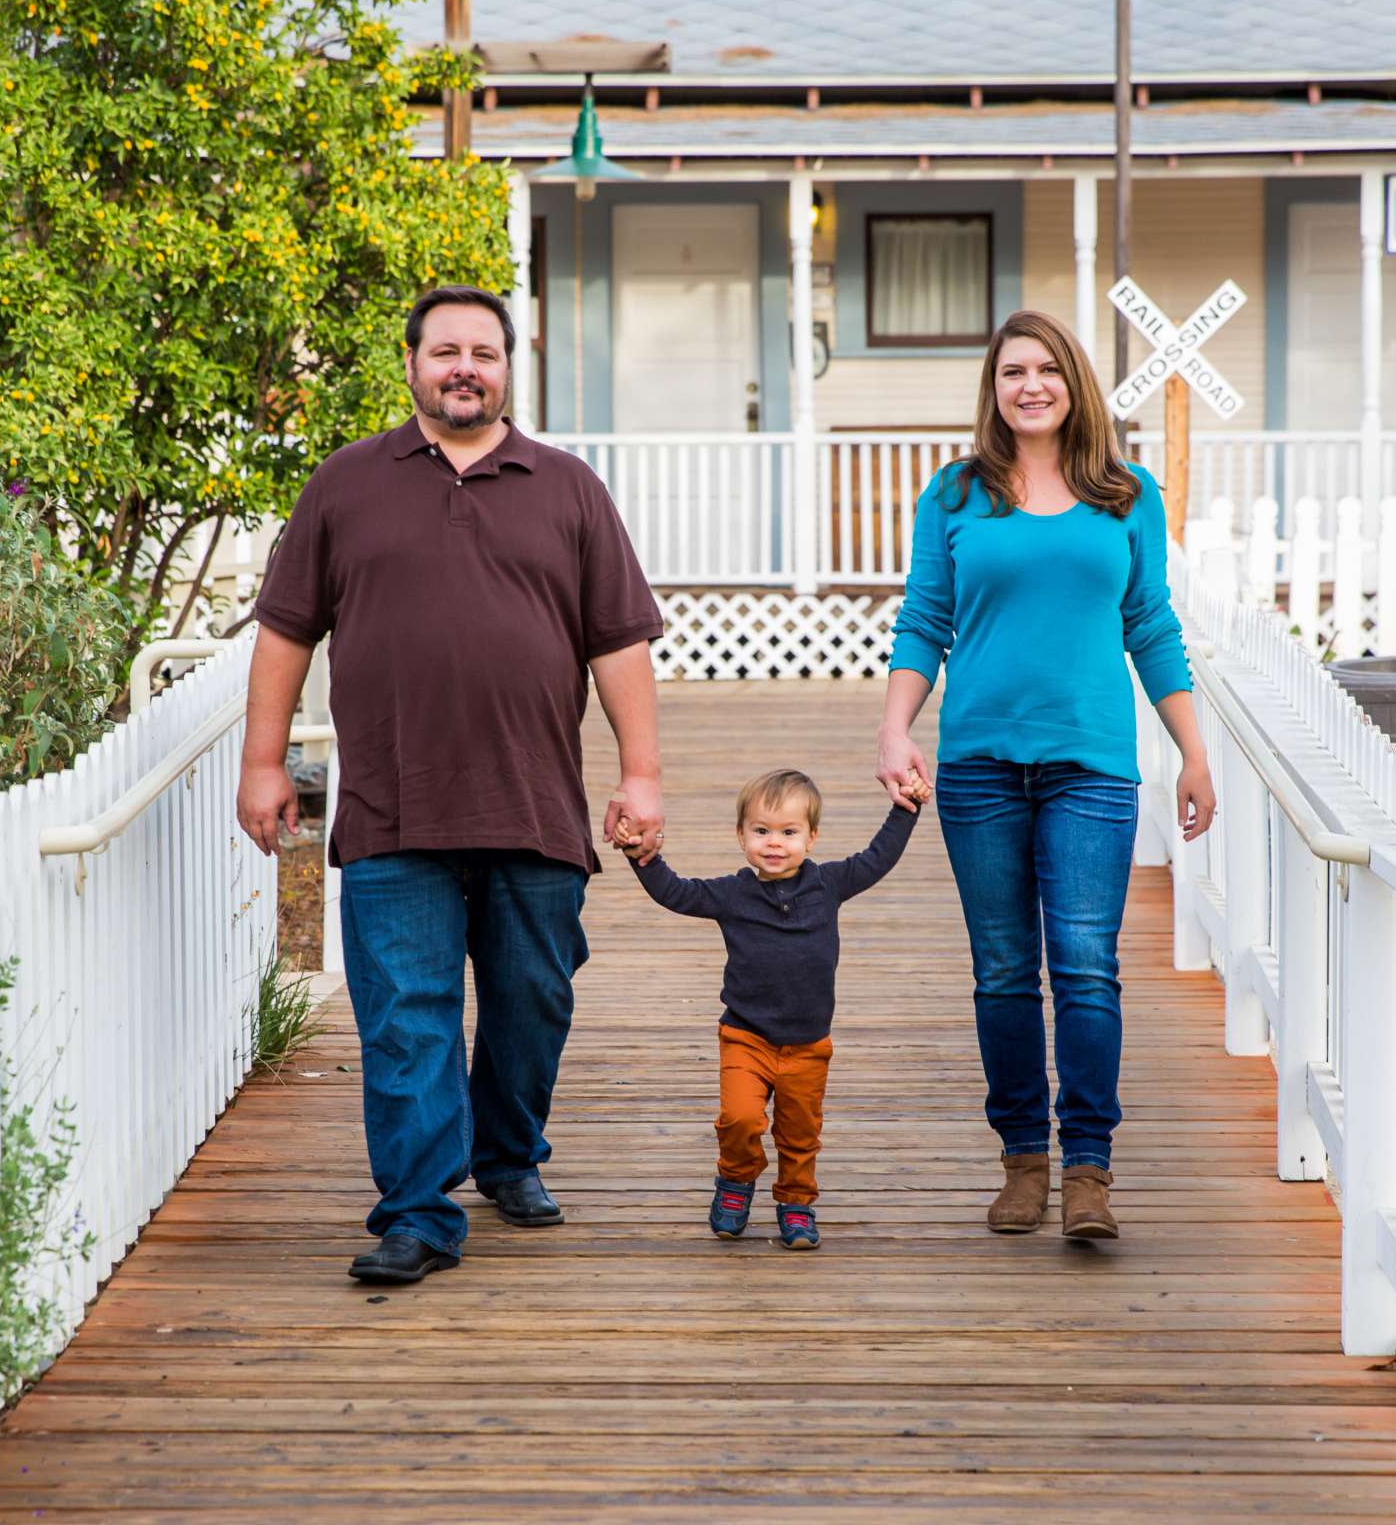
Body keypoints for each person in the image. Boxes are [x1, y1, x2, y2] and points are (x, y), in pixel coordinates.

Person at [236, 285, 667, 1286]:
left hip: (533, 802)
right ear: (411, 364)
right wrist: (265, 763)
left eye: (483, 350)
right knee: (404, 1015)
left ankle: (508, 1152)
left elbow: (619, 644)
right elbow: (285, 631)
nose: (463, 366)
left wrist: (641, 776)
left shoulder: (567, 489)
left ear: (509, 366)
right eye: (444, 351)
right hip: (393, 804)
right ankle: (419, 1214)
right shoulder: (346, 484)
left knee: (532, 996)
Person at [876, 309, 1216, 1243]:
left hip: (1092, 766)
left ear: (1075, 383)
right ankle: (1023, 1161)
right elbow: (923, 622)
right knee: (1001, 972)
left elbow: (1150, 624)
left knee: (1086, 971)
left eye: (1046, 370)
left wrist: (1193, 751)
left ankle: (1090, 1171)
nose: (1028, 386)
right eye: (1010, 372)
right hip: (979, 766)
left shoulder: (1125, 494)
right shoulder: (953, 495)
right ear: (993, 389)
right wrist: (896, 729)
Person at [614, 768, 922, 1250]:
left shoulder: (830, 884)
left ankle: (796, 1203)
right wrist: (641, 856)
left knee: (800, 1135)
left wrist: (906, 807)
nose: (774, 843)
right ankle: (735, 1184)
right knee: (740, 1119)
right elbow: (675, 892)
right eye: (761, 831)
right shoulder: (732, 893)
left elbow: (878, 858)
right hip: (746, 1036)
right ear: (741, 836)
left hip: (807, 1044)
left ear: (812, 837)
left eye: (788, 832)